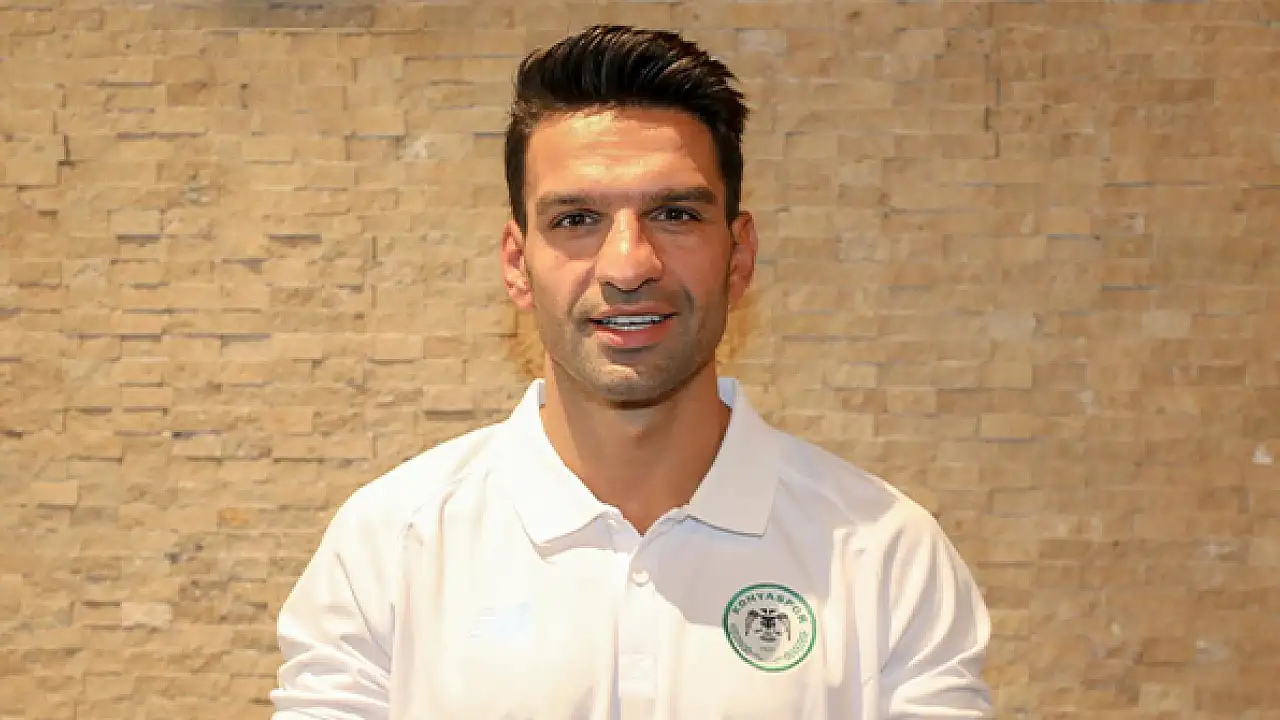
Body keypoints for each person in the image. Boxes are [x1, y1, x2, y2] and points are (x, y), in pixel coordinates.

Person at [270, 24, 993, 719]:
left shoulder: (886, 554)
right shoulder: (389, 546)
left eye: (675, 214)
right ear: (517, 264)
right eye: (576, 219)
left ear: (739, 256)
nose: (628, 266)